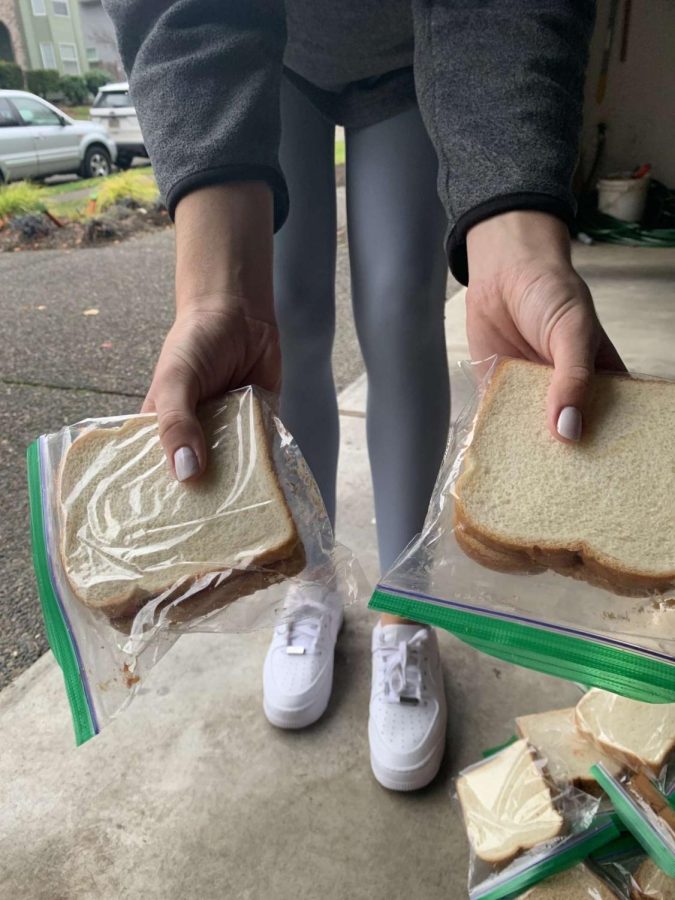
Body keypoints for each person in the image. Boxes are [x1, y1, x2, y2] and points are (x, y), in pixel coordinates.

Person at [103, 1, 624, 791]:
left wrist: (517, 230)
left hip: (416, 43)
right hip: (264, 41)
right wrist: (210, 292)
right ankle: (309, 580)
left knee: (400, 311)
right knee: (282, 318)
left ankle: (407, 609)